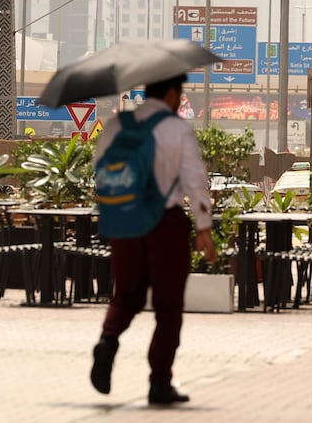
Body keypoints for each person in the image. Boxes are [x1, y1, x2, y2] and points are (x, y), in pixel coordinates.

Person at [88, 73, 216, 406]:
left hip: (125, 221)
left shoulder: (117, 125)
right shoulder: (176, 129)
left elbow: (100, 169)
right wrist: (204, 227)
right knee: (168, 304)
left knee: (125, 294)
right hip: (164, 222)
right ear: (172, 94)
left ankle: (108, 341)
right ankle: (160, 381)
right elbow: (194, 180)